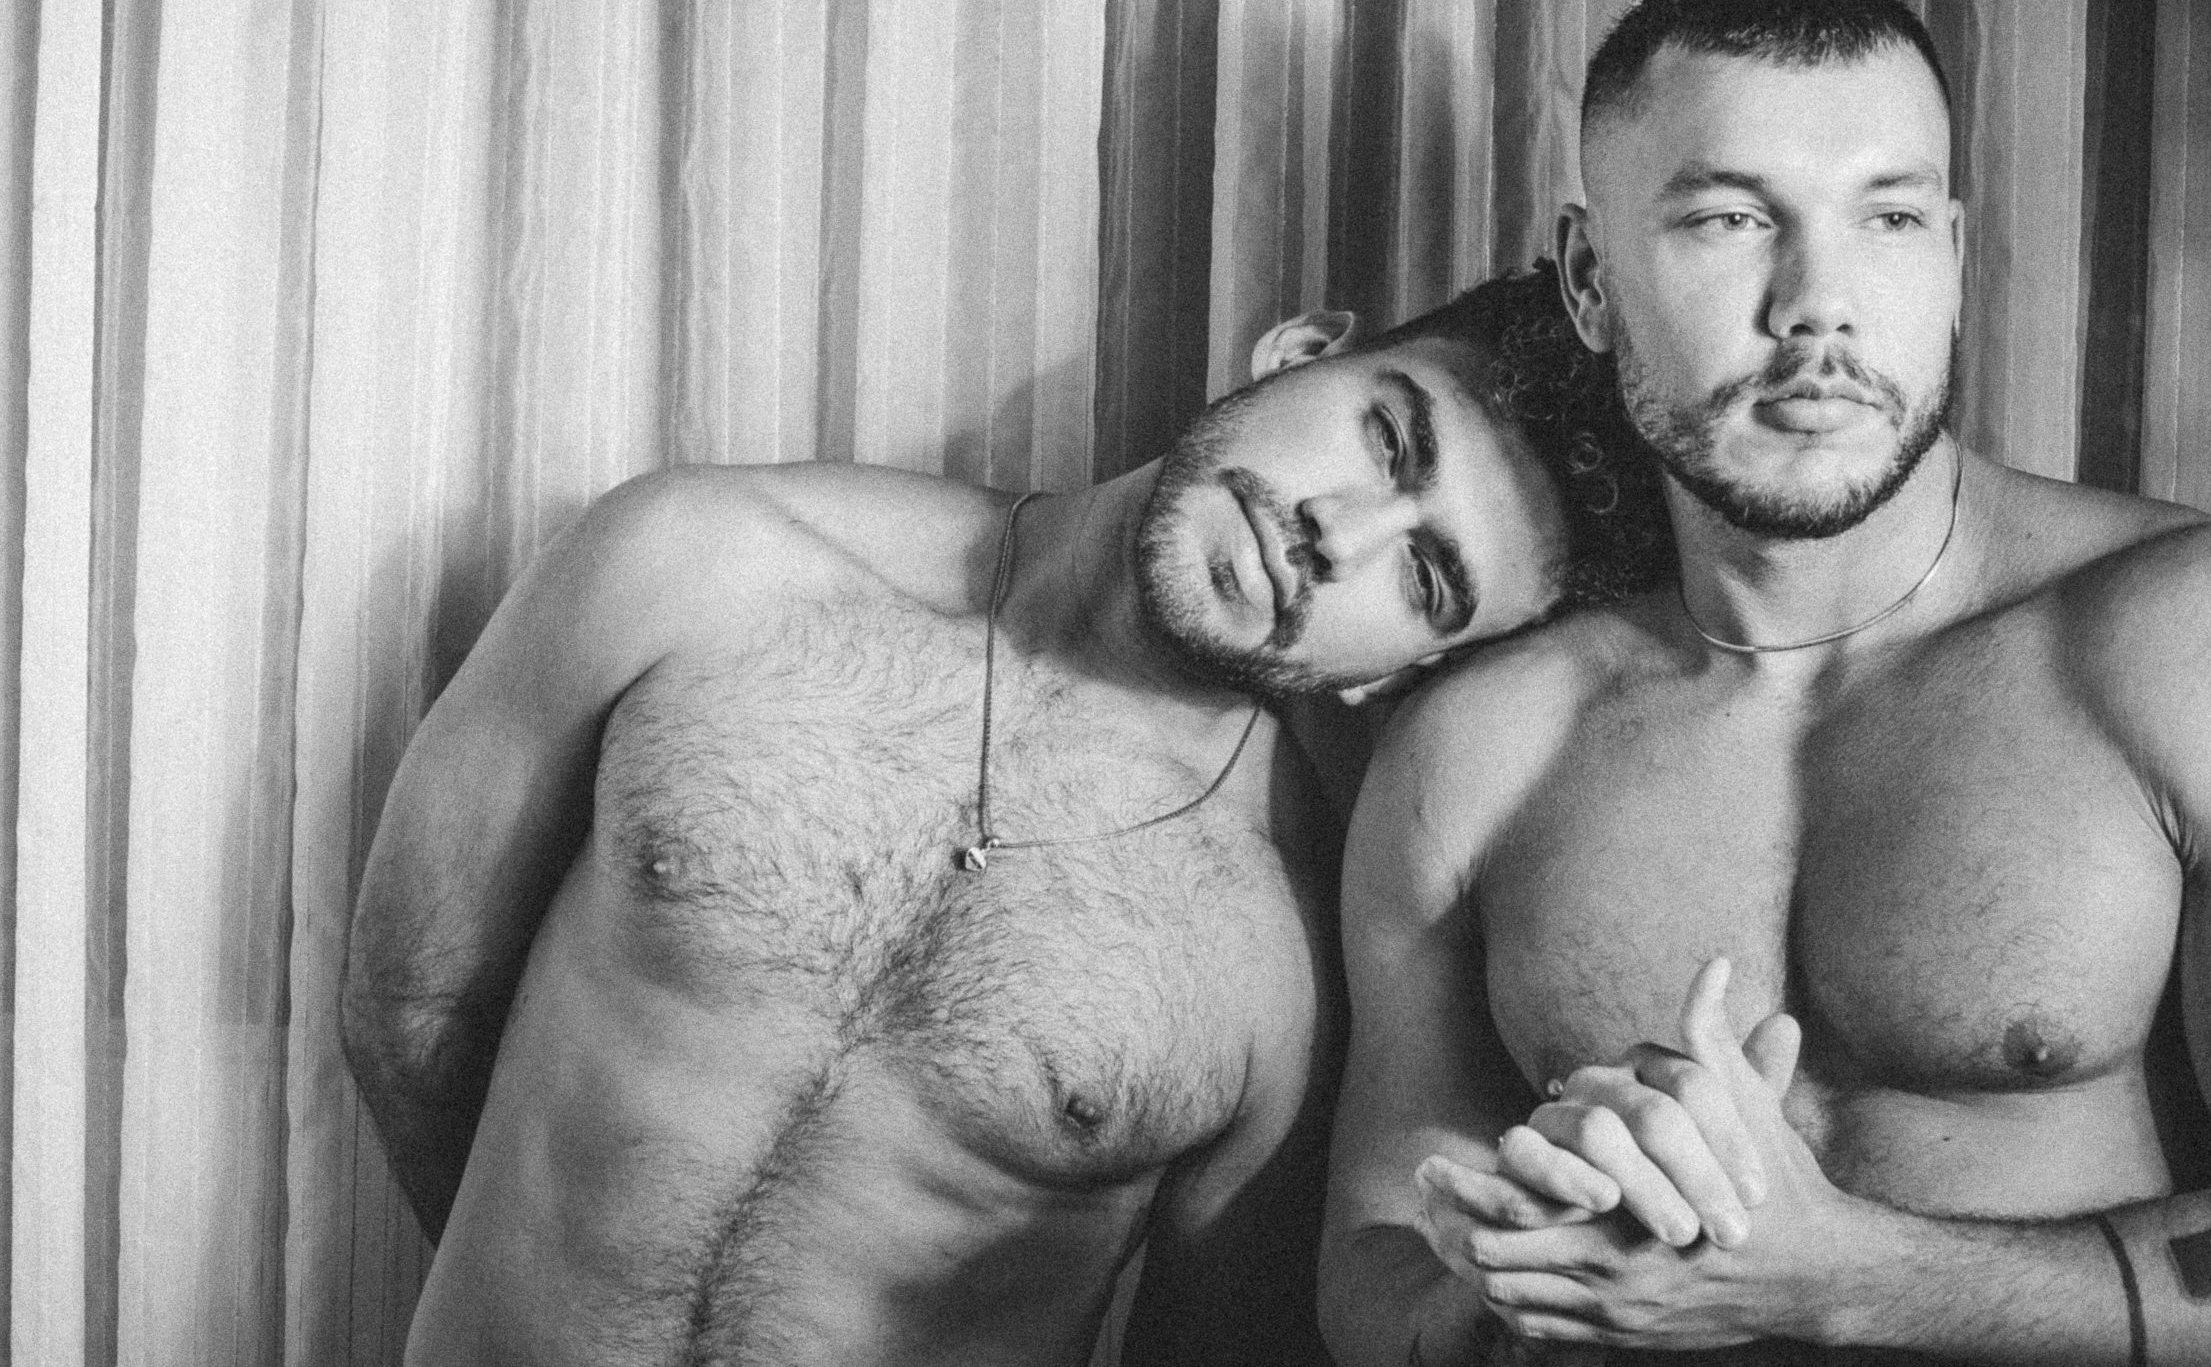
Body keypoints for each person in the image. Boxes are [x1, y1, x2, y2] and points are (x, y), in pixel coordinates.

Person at [1320, 0, 2211, 1365]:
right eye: (1728, 219)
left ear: (1950, 254)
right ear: (1590, 279)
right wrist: (1520, 1288)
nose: (1817, 304)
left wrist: (1841, 1281)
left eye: (1887, 217)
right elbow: (1372, 1267)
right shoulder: (1483, 750)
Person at [339, 267, 1666, 1366]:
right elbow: (413, 1004)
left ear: (1397, 673)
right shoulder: (698, 560)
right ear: (1301, 351)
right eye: (1387, 439)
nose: (1340, 533)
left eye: (1426, 578)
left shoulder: (1298, 952)